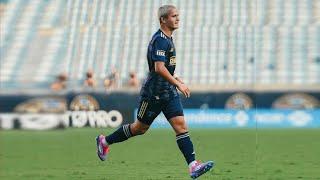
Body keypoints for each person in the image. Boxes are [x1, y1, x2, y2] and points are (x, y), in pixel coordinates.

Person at [95, 5, 214, 179]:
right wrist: (178, 84)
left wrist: (176, 79)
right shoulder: (160, 40)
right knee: (139, 128)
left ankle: (193, 166)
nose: (177, 19)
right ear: (163, 20)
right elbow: (158, 68)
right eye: (174, 16)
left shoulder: (168, 38)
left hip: (168, 91)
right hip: (153, 94)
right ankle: (104, 141)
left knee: (181, 126)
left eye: (178, 16)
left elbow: (164, 67)